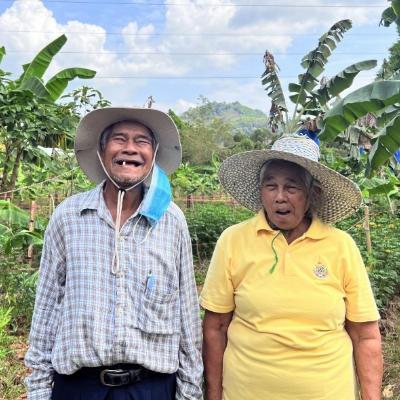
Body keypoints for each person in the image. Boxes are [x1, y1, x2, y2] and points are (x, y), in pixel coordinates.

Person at [25, 106, 203, 400]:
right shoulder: (69, 216)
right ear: (102, 150)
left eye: (142, 141)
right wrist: (39, 390)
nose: (130, 148)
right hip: (80, 387)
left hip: (152, 387)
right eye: (119, 139)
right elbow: (47, 309)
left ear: (154, 154)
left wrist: (190, 392)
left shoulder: (172, 221)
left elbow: (186, 315)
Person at [200, 134, 382, 400]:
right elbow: (215, 327)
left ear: (313, 194)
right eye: (270, 185)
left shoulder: (341, 246)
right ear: (260, 191)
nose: (280, 197)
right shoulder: (234, 240)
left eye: (292, 187)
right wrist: (212, 396)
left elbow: (365, 336)